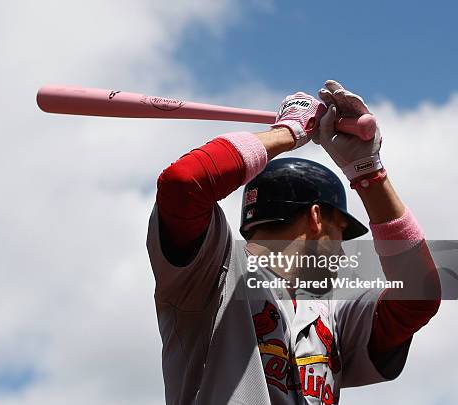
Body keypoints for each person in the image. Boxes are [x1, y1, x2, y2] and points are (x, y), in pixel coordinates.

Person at [146, 80, 441, 404]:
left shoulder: (329, 314)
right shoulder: (214, 270)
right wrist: (288, 133)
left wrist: (368, 173)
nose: (343, 252)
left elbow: (419, 297)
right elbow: (183, 183)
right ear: (316, 218)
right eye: (340, 231)